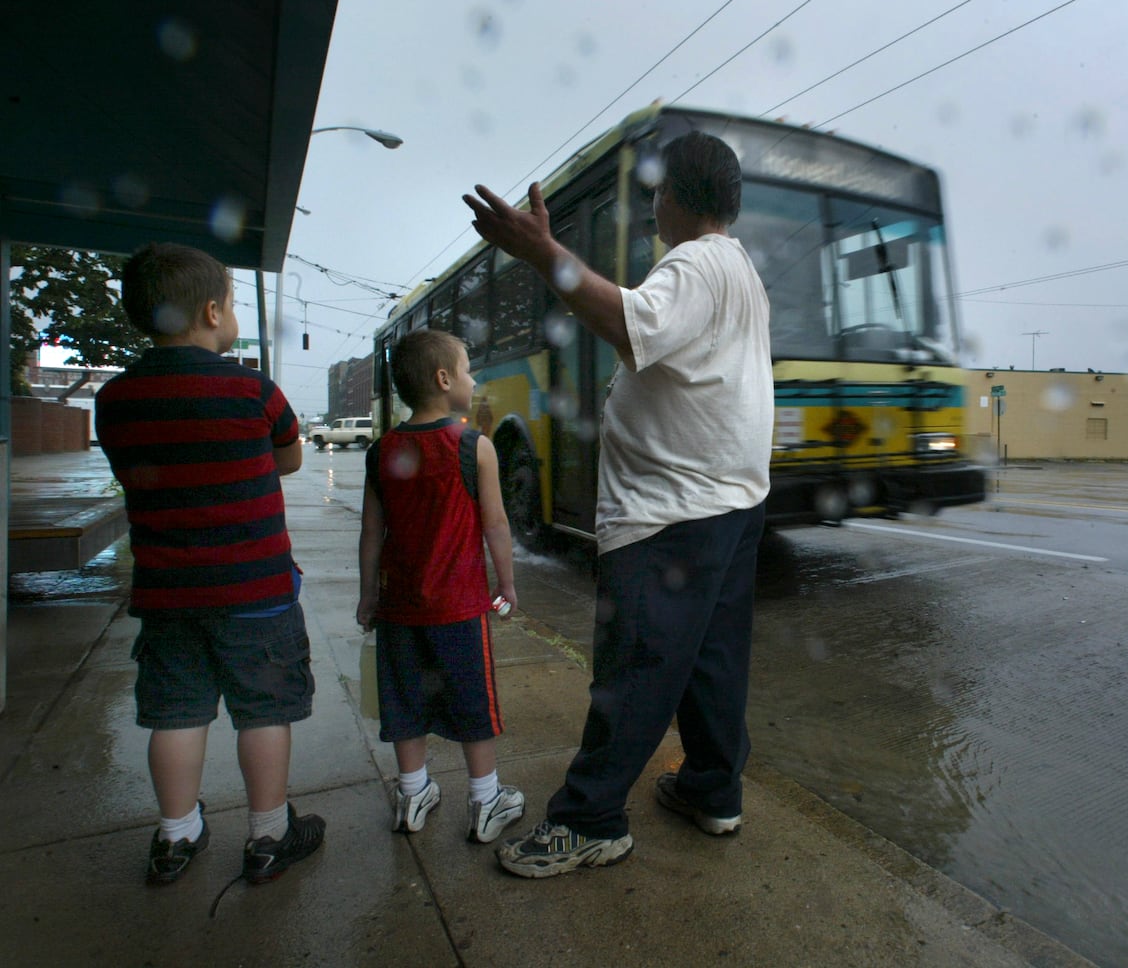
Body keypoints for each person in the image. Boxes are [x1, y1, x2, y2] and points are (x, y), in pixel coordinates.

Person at [462, 130, 774, 878]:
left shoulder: (695, 261)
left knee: (636, 668)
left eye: (656, 195)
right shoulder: (742, 271)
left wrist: (541, 253)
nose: (652, 210)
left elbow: (634, 326)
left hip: (671, 510)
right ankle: (711, 790)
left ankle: (592, 819)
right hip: (732, 503)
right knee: (710, 662)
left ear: (676, 196)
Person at [94, 242, 324, 886]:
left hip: (167, 596)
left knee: (177, 713)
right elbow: (288, 460)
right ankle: (270, 833)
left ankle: (175, 835)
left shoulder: (115, 399)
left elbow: (133, 473)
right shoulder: (253, 388)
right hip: (259, 591)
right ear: (214, 308)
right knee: (262, 712)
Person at [356, 329, 525, 844]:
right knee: (473, 701)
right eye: (469, 370)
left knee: (404, 701)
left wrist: (368, 596)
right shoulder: (475, 448)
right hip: (459, 607)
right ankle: (485, 799)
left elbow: (371, 533)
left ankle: (412, 795)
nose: (474, 380)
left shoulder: (382, 451)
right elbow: (495, 525)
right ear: (444, 379)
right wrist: (507, 584)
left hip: (399, 609)